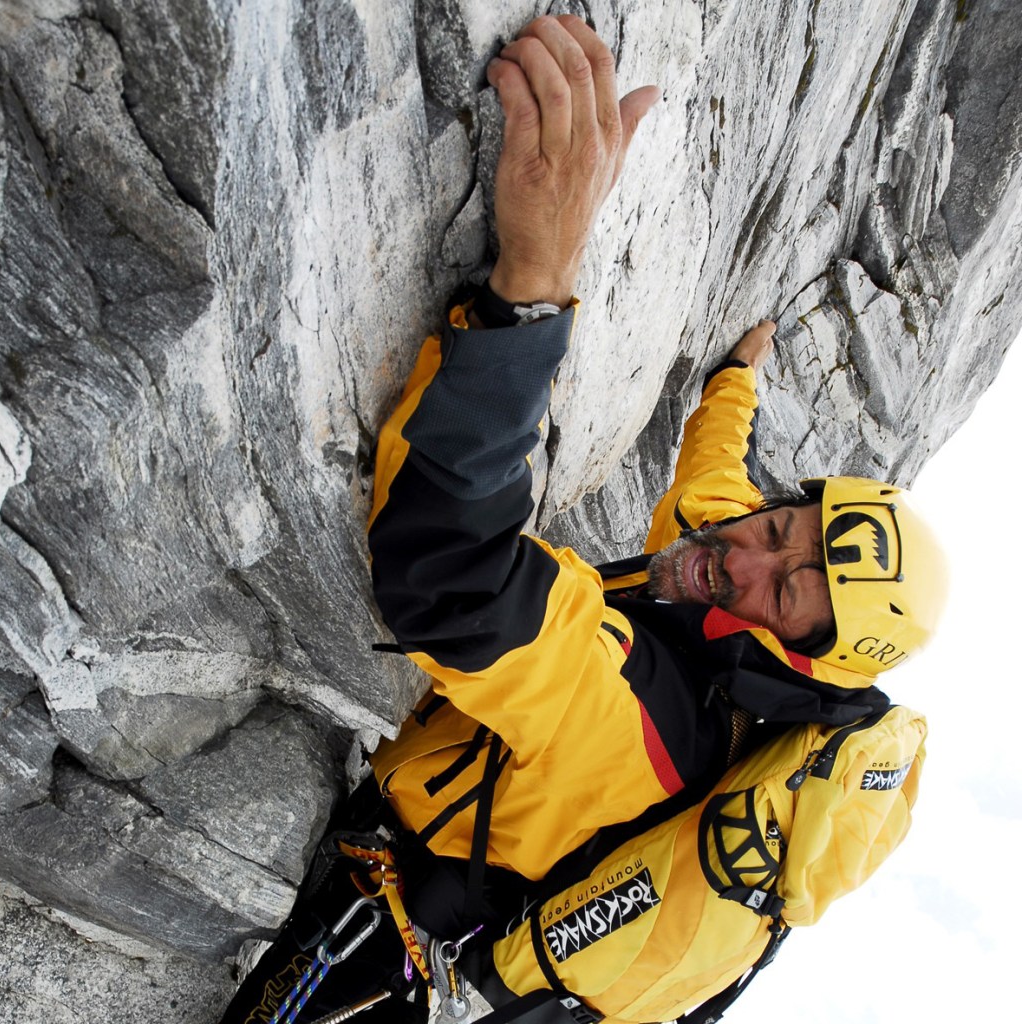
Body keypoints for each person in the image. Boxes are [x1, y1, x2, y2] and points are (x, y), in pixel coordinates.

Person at [221, 13, 947, 1024]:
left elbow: (453, 575)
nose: (746, 555)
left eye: (784, 591)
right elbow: (712, 481)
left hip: (373, 948)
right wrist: (736, 379)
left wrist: (535, 286)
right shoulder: (717, 570)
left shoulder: (642, 722)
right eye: (783, 528)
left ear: (798, 658)